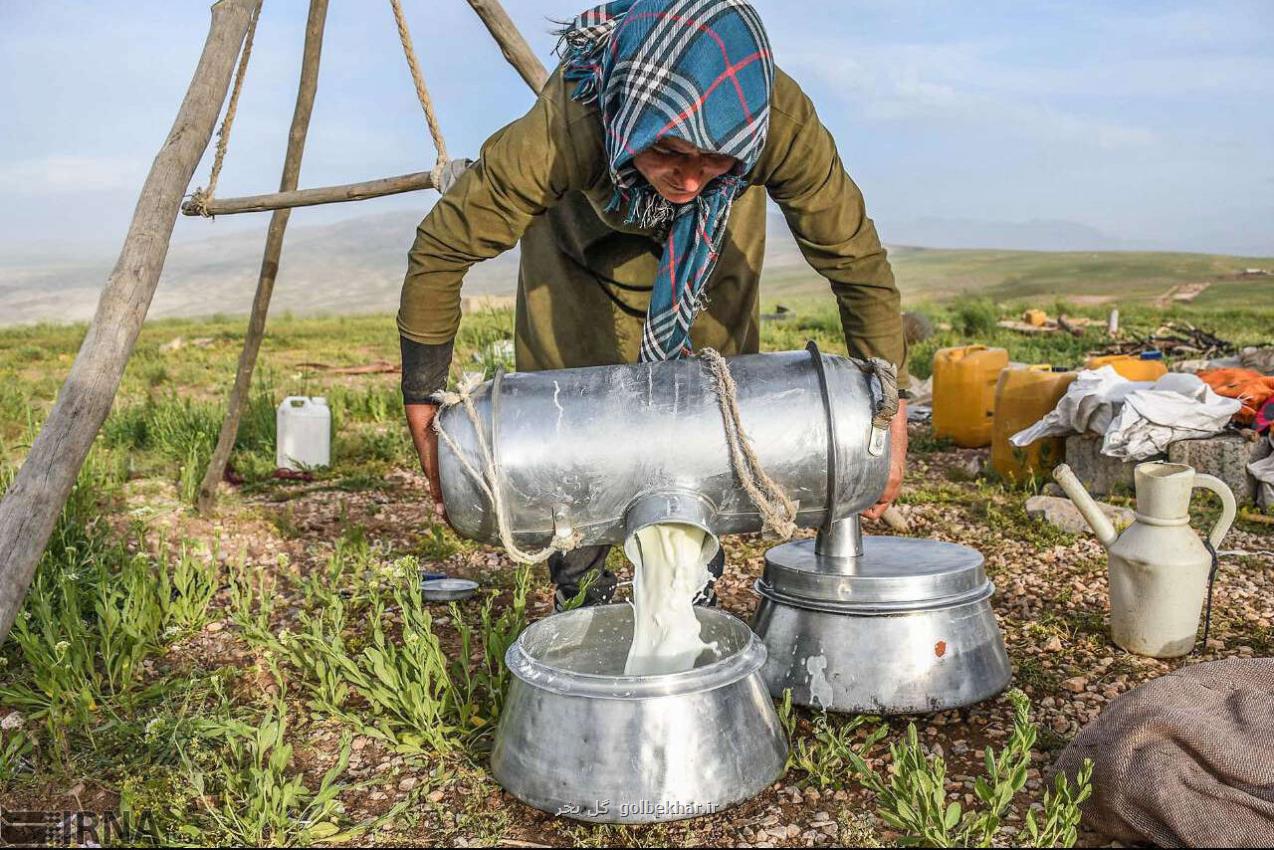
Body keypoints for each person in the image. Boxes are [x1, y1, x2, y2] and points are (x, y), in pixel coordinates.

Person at [399, 0, 909, 610]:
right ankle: (582, 587)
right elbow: (441, 248)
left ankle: (689, 593)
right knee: (569, 417)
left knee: (711, 407)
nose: (688, 179)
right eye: (669, 151)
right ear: (634, 119)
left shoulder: (772, 118)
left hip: (709, 248)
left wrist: (890, 407)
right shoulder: (574, 118)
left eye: (712, 157)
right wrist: (423, 396)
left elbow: (855, 261)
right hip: (578, 252)